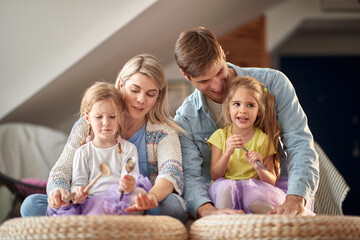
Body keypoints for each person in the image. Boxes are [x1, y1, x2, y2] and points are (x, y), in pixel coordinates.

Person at [21, 54, 187, 223]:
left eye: (150, 94)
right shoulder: (87, 125)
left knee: (173, 206)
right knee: (31, 205)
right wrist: (59, 191)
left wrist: (149, 198)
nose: (141, 100)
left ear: (158, 96)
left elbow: (170, 171)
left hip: (135, 203)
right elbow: (62, 169)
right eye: (134, 90)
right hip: (88, 202)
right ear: (121, 85)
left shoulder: (164, 132)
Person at [173, 26, 319, 219]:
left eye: (219, 72)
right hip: (223, 200)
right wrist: (207, 210)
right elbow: (191, 175)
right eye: (204, 81)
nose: (217, 86)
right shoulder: (186, 118)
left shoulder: (274, 83)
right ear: (186, 75)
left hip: (276, 193)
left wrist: (296, 197)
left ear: (223, 54)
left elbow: (299, 143)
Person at [207, 76, 314, 215]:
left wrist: (259, 167)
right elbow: (215, 175)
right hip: (225, 186)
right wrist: (227, 152)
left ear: (259, 111)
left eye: (250, 105)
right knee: (223, 190)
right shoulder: (220, 136)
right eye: (236, 104)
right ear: (228, 107)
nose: (243, 110)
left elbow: (271, 181)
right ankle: (227, 222)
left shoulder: (263, 140)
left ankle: (265, 223)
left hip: (255, 189)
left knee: (253, 196)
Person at [47, 81, 151, 216]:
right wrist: (79, 192)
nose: (106, 122)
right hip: (92, 201)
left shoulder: (128, 149)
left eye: (112, 116)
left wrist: (129, 184)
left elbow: (131, 176)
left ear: (120, 117)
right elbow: (78, 182)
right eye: (99, 117)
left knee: (139, 194)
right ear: (87, 118)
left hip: (119, 198)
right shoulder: (83, 151)